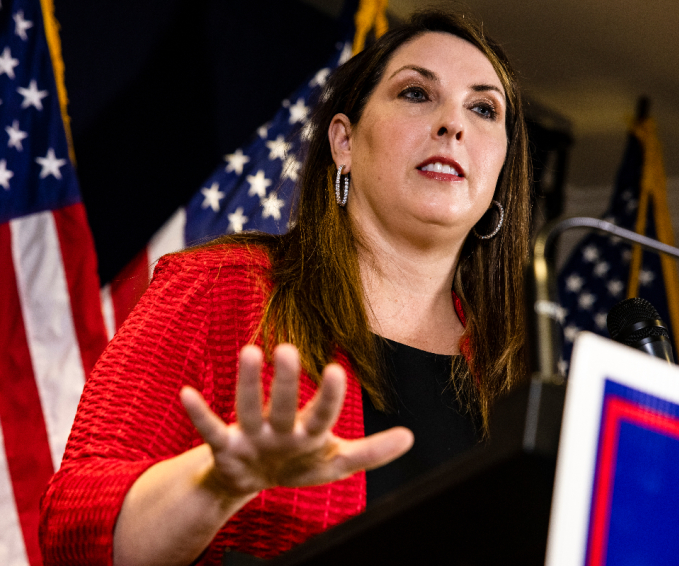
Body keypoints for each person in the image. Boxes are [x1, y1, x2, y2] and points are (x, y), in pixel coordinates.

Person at [39, 9, 531, 566]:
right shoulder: (221, 289)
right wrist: (216, 483)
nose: (454, 124)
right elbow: (72, 529)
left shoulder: (518, 369)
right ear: (344, 141)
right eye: (417, 94)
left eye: (483, 108)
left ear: (501, 170)